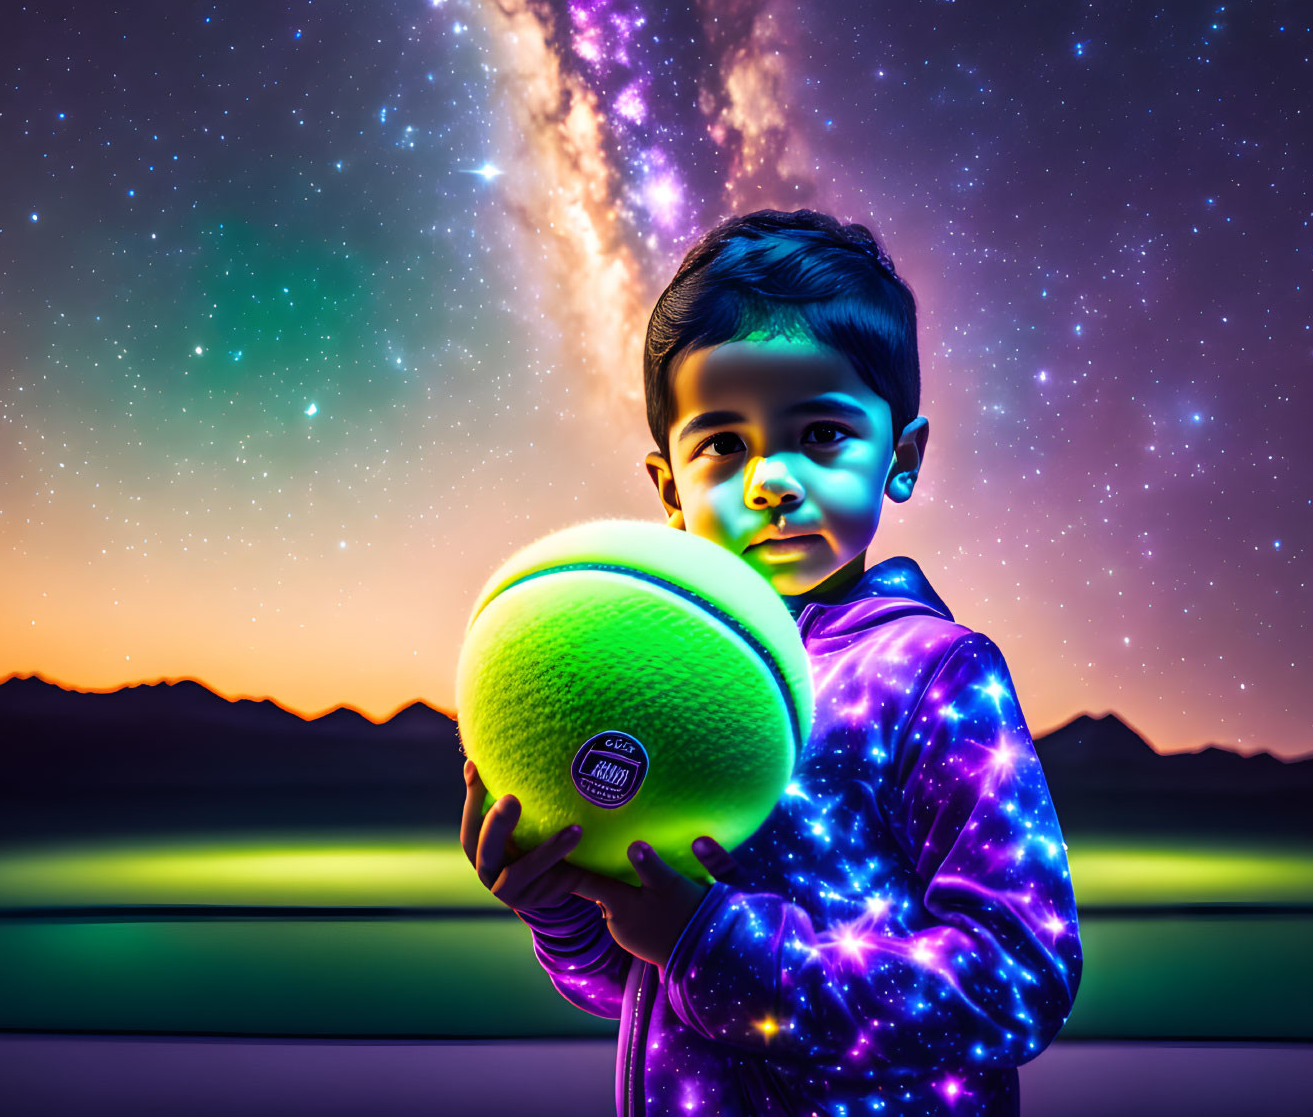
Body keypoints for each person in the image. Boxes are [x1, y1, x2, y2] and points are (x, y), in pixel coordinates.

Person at [461, 209, 1082, 1115]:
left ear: (899, 458)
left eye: (822, 434)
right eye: (722, 444)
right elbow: (644, 995)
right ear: (669, 487)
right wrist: (558, 902)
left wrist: (712, 944)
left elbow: (1017, 978)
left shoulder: (933, 675)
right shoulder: (653, 689)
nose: (772, 479)